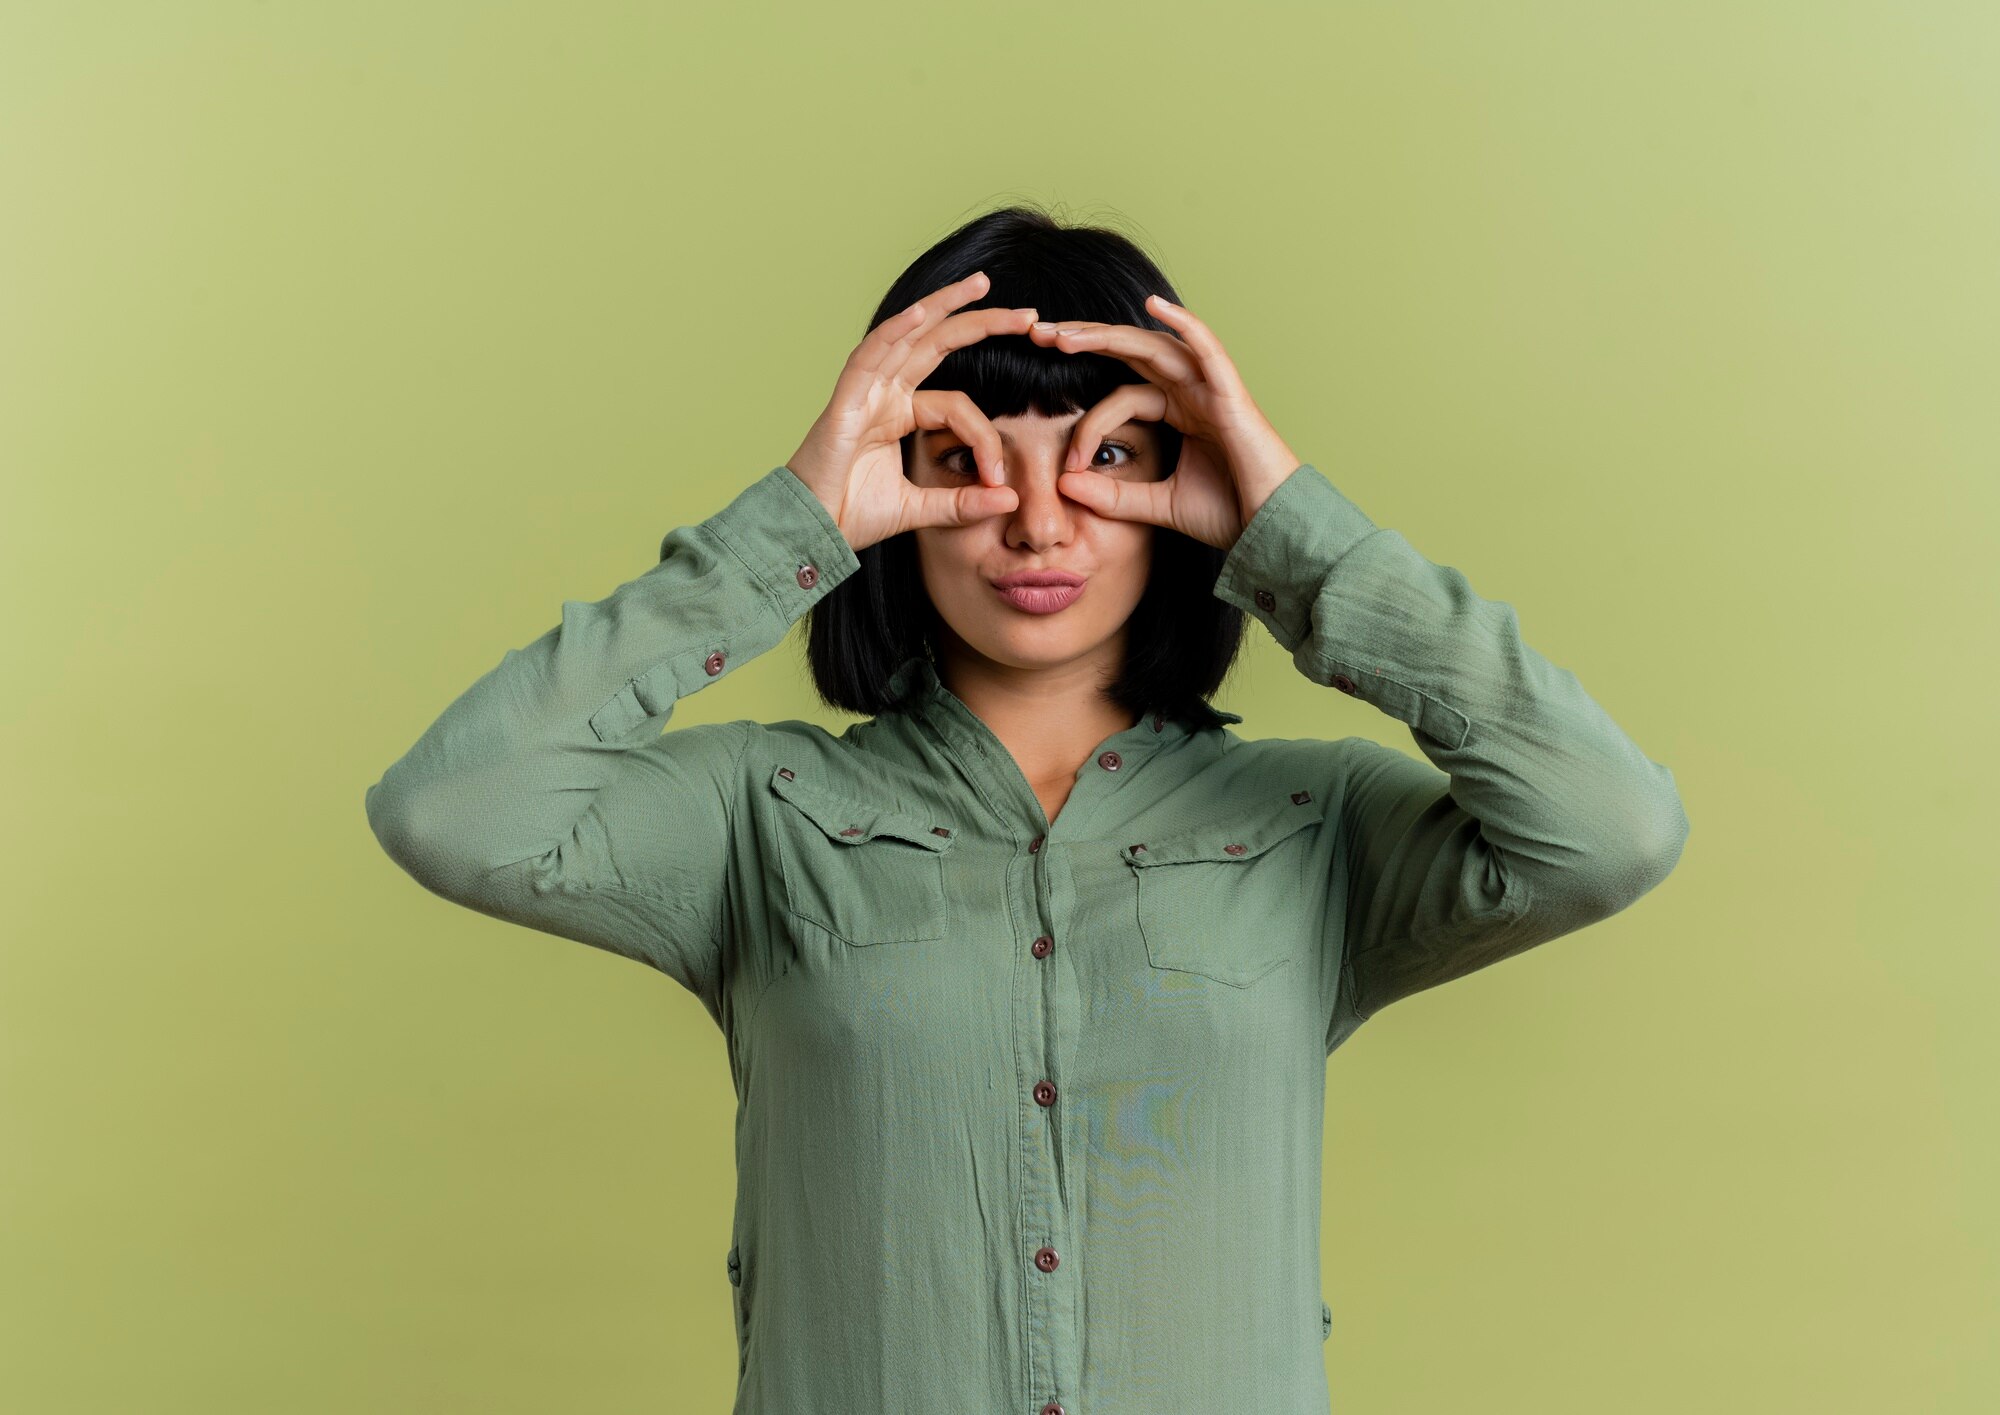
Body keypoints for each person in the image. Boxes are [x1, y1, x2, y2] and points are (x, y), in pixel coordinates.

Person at [364, 204, 1690, 1414]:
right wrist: (795, 525)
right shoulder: (758, 816)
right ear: (901, 491)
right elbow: (450, 811)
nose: (1042, 524)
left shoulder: (1315, 821)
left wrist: (1292, 532)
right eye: (966, 462)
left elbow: (1611, 829)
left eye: (1111, 457)